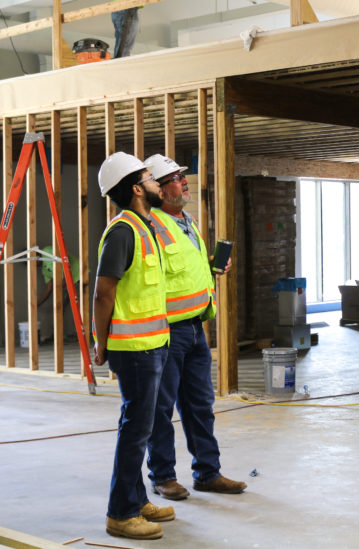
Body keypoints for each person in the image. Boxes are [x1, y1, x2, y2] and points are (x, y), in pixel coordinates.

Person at [143, 153, 246, 501]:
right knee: (161, 408)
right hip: (165, 331)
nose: (184, 181)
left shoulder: (187, 221)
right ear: (157, 189)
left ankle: (208, 473)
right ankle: (162, 476)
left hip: (196, 329)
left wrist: (214, 267)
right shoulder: (149, 226)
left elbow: (185, 269)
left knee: (200, 404)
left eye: (182, 176)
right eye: (174, 178)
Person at [92, 151, 174, 540]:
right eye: (150, 176)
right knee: (135, 430)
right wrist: (100, 343)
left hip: (152, 344)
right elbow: (103, 293)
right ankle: (120, 514)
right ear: (137, 189)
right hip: (135, 349)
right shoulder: (124, 231)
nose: (158, 180)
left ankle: (136, 498)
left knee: (140, 427)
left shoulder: (145, 226)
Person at [38, 245, 82, 342]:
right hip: (68, 283)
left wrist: (59, 286)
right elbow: (49, 288)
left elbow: (63, 264)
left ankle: (77, 336)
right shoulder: (44, 271)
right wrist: (38, 303)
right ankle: (59, 335)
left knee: (75, 307)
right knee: (60, 308)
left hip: (79, 277)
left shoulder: (46, 251)